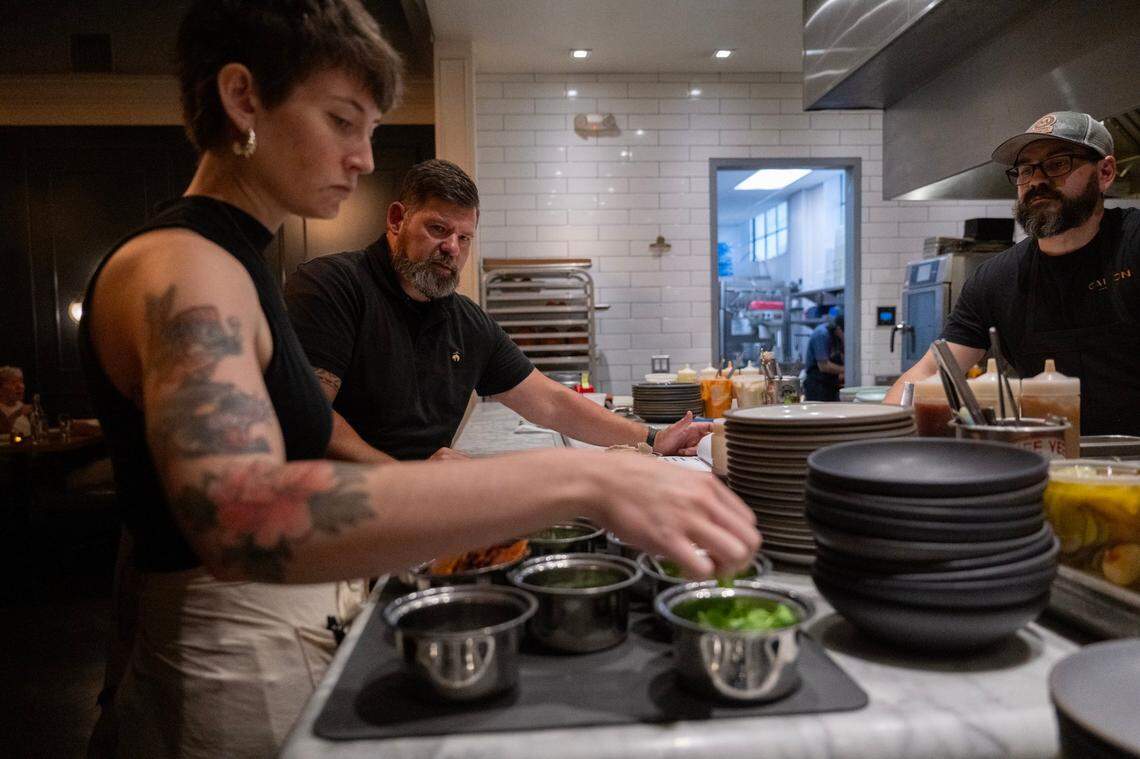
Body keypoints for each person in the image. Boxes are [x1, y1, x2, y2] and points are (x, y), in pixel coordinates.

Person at [77, 3, 758, 756]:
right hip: (231, 644)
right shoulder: (186, 266)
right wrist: (581, 479)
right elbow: (242, 515)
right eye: (342, 121)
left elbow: (541, 398)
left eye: (369, 130)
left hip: (296, 611)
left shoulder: (233, 264)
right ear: (244, 99)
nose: (363, 158)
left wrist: (643, 443)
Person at [284, 159, 710, 464]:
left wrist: (653, 438)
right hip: (333, 515)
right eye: (438, 229)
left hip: (420, 508)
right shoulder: (332, 286)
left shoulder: (465, 322)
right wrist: (404, 480)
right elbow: (307, 415)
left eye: (464, 238)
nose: (452, 248)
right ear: (397, 220)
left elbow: (551, 403)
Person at [885, 111, 1139, 435]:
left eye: (1057, 164)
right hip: (1045, 457)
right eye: (1025, 170)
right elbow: (930, 373)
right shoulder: (996, 280)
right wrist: (880, 436)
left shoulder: (1133, 243)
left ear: (1105, 173)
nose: (1036, 181)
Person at [802, 307, 844, 402]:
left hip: (830, 384)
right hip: (817, 385)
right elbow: (823, 366)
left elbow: (841, 356)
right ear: (839, 329)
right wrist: (846, 370)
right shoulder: (821, 334)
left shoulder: (837, 337)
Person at [0, 366, 32, 438]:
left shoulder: (23, 407)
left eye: (21, 382)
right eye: (13, 382)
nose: (20, 386)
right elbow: (4, 432)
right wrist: (18, 413)